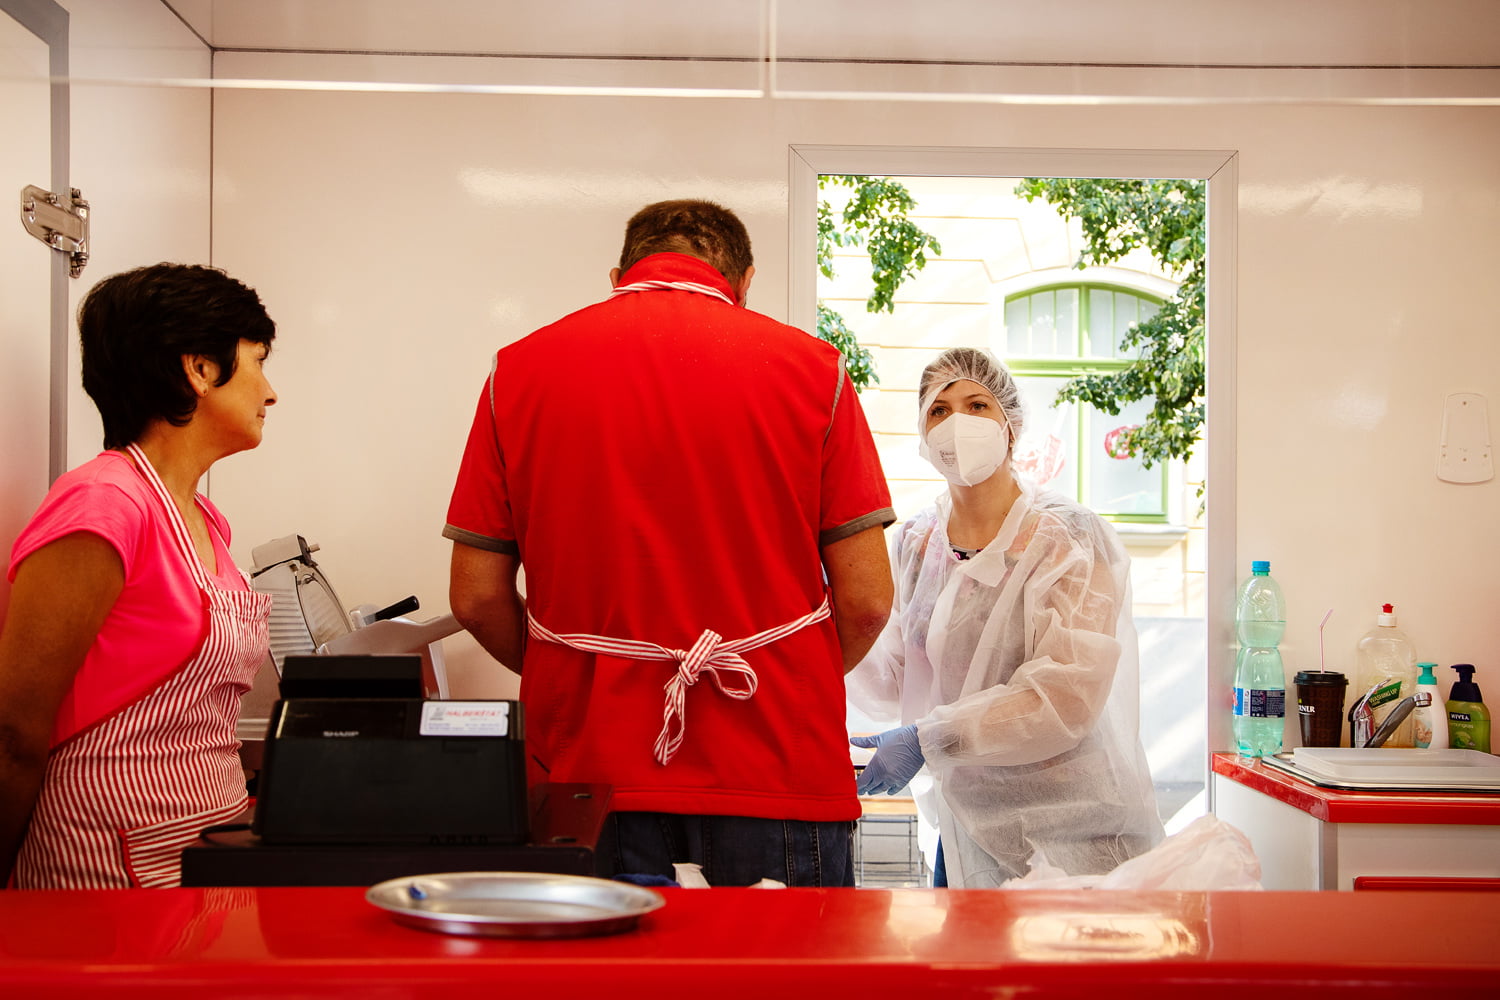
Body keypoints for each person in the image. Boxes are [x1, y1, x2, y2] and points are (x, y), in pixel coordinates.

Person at [445, 199, 894, 886]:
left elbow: (476, 599)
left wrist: (573, 678)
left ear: (618, 276)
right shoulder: (818, 372)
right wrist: (781, 677)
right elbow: (865, 601)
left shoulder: (519, 371)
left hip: (586, 774)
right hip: (778, 766)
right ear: (744, 282)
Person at [0, 263, 278, 888]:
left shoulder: (205, 518)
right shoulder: (102, 503)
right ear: (199, 369)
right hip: (103, 863)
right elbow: (13, 733)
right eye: (257, 360)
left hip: (203, 847)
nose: (270, 390)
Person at [847, 346, 1163, 888]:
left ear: (1011, 427)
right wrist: (832, 608)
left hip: (1074, 831)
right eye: (938, 411)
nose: (957, 424)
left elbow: (1065, 698)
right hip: (964, 825)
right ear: (924, 439)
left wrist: (930, 738)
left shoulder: (1071, 539)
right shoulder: (916, 543)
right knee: (964, 969)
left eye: (977, 405)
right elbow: (894, 676)